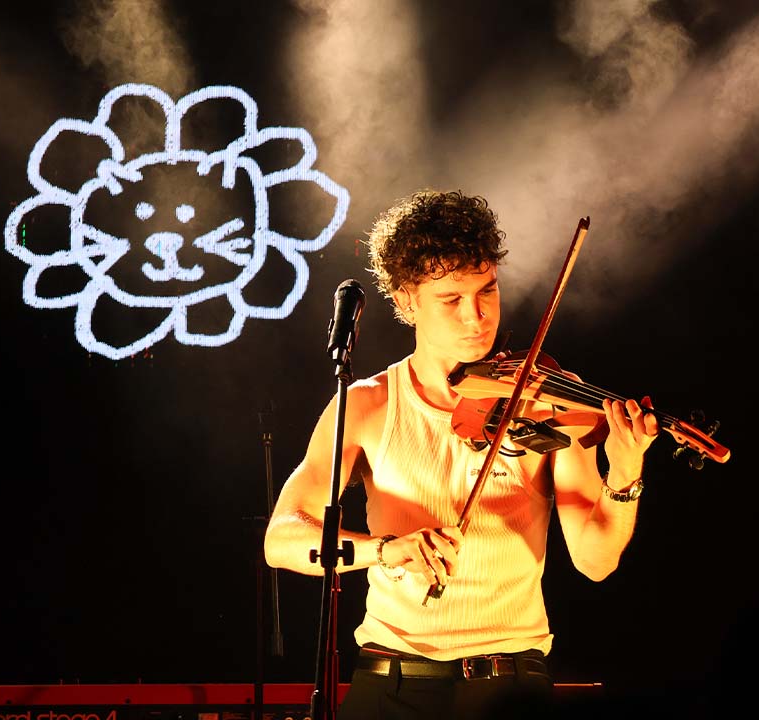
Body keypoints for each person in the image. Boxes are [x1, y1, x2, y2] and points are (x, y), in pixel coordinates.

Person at [264, 189, 659, 719]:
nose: (477, 317)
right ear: (407, 300)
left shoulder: (545, 400)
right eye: (451, 300)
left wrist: (626, 470)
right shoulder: (365, 405)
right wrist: (385, 550)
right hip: (391, 681)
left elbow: (595, 561)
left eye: (487, 291)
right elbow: (282, 540)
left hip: (509, 685)